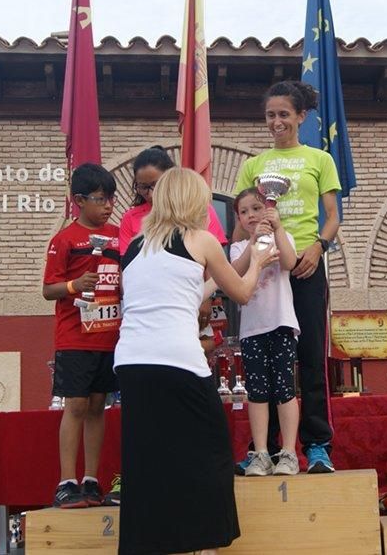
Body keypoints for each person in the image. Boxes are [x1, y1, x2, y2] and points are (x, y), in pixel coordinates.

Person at [114, 167, 278, 555]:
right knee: (212, 450)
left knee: (148, 458)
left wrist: (242, 264)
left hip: (133, 362)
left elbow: (195, 288)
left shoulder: (137, 245)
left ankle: (153, 544)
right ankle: (204, 543)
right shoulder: (201, 239)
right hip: (177, 359)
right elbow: (240, 292)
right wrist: (257, 260)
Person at [233, 80, 341, 474]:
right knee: (263, 360)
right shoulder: (253, 165)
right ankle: (265, 448)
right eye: (270, 115)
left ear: (301, 117)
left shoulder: (320, 159)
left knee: (310, 356)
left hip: (305, 267)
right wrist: (238, 264)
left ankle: (315, 445)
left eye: (283, 114)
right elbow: (242, 218)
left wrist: (317, 248)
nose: (276, 121)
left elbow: (332, 217)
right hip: (265, 272)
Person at [42, 163, 120, 508]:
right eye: (101, 199)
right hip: (75, 337)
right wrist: (75, 285)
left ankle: (91, 478)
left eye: (111, 199)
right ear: (78, 200)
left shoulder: (119, 236)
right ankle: (66, 481)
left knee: (97, 405)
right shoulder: (64, 240)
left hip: (109, 336)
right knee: (74, 404)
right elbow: (48, 289)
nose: (108, 206)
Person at [230, 188, 301, 476]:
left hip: (281, 323)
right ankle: (260, 453)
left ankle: (289, 452)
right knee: (257, 392)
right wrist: (251, 241)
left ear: (268, 209)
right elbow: (235, 271)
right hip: (252, 329)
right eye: (244, 212)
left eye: (256, 209)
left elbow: (289, 262)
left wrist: (279, 228)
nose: (251, 216)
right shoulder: (238, 246)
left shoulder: (281, 237)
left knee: (285, 390)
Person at [118, 145, 227, 255]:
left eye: (157, 185)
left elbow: (217, 257)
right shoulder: (130, 217)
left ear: (171, 179)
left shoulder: (200, 209)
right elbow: (126, 263)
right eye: (143, 187)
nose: (151, 194)